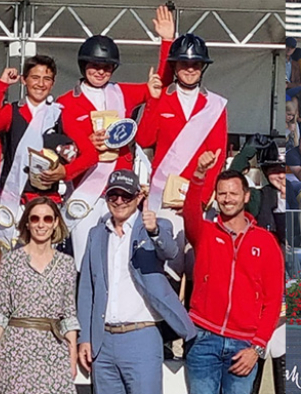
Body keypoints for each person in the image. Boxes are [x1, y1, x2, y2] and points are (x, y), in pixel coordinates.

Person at [57, 5, 174, 271]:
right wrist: (85, 144)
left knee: (118, 260)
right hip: (85, 189)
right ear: (83, 65)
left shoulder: (123, 92)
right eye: (95, 65)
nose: (100, 71)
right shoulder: (65, 103)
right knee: (84, 263)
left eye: (107, 67)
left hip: (119, 190)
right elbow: (60, 149)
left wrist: (166, 41)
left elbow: (159, 85)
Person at [76, 169, 195, 394]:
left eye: (126, 196)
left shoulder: (155, 225)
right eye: (113, 195)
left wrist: (155, 231)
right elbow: (87, 290)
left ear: (139, 197)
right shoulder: (96, 234)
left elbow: (170, 251)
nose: (119, 201)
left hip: (142, 337)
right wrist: (85, 337)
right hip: (103, 340)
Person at [184, 150, 284, 394]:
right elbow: (190, 212)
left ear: (246, 196)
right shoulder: (205, 233)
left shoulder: (266, 241)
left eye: (233, 193)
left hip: (243, 344)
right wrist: (199, 174)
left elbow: (272, 302)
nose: (227, 199)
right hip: (203, 338)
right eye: (222, 194)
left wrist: (257, 347)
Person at [137, 32, 228, 287]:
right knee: (163, 272)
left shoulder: (215, 106)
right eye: (184, 64)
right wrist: (153, 102)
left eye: (196, 64)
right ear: (175, 66)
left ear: (203, 68)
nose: (190, 69)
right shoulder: (162, 98)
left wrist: (196, 202)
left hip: (195, 202)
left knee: (198, 269)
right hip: (162, 199)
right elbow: (144, 139)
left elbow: (217, 157)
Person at [0, 197, 78, 394]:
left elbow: (69, 314)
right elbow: (0, 311)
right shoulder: (10, 261)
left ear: (55, 223)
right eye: (35, 219)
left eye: (47, 219)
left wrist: (72, 354)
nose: (41, 224)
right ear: (27, 223)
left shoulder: (67, 264)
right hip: (16, 349)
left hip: (54, 349)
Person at [0, 55, 75, 250]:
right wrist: (2, 85)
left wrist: (65, 172)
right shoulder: (13, 111)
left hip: (47, 199)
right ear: (24, 80)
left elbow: (76, 151)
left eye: (46, 79)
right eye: (35, 78)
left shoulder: (60, 113)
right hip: (16, 199)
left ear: (53, 82)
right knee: (11, 256)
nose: (40, 84)